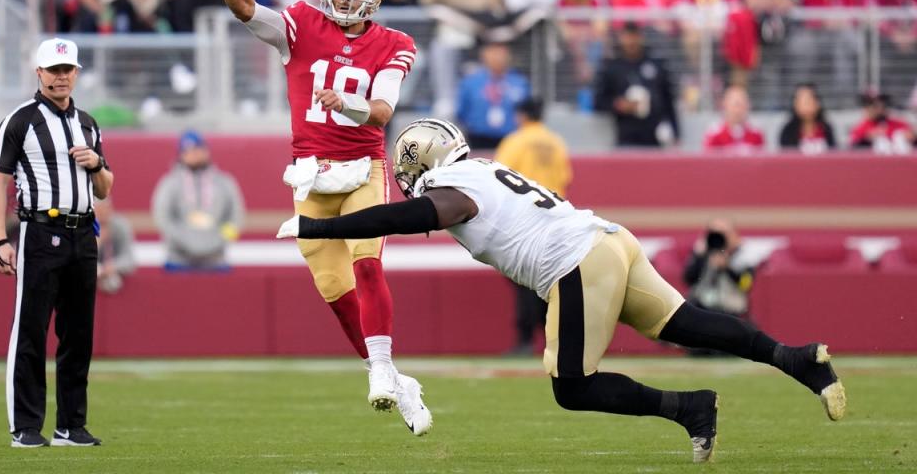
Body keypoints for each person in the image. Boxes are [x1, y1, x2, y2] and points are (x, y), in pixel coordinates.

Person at [276, 118, 847, 464]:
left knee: (572, 386)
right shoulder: (481, 168)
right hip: (607, 240)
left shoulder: (451, 188)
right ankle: (797, 360)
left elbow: (399, 219)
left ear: (416, 163)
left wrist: (319, 226)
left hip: (576, 261)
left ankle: (691, 409)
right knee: (685, 323)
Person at [212, 0, 432, 435]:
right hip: (311, 173)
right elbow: (247, 11)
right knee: (335, 289)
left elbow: (382, 111)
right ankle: (398, 380)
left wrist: (345, 102)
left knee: (367, 262)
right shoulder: (302, 23)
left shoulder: (395, 43)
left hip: (363, 167)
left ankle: (379, 367)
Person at [0, 38, 114, 448]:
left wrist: (96, 164)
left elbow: (106, 187)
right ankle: (25, 425)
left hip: (83, 233)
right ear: (38, 73)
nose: (61, 77)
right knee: (30, 330)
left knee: (78, 334)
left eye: (67, 69)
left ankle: (70, 425)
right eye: (54, 70)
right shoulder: (20, 121)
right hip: (40, 232)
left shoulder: (89, 124)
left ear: (76, 73)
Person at [495, 98, 572, 355]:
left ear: (522, 115)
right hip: (555, 219)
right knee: (548, 281)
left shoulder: (515, 141)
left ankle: (526, 339)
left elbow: (498, 178)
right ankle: (554, 337)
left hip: (523, 220)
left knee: (523, 281)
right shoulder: (557, 142)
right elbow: (565, 179)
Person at [151, 131, 245, 270]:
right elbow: (162, 217)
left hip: (216, 258)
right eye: (187, 151)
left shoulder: (224, 182)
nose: (193, 155)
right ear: (181, 155)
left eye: (197, 149)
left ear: (206, 151)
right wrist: (183, 240)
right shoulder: (170, 183)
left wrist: (220, 239)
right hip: (179, 258)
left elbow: (236, 216)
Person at [594, 22, 679, 148]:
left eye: (634, 37)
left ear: (640, 38)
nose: (631, 42)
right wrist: (619, 105)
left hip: (654, 138)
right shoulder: (612, 68)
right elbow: (598, 101)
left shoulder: (656, 65)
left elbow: (668, 100)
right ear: (621, 39)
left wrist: (676, 132)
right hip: (626, 137)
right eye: (627, 37)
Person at [456, 43, 531, 150]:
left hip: (511, 139)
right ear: (484, 55)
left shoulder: (520, 82)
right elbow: (462, 112)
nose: (497, 57)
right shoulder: (471, 82)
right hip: (478, 139)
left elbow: (526, 111)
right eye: (493, 52)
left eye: (501, 53)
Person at [683, 220, 752, 322]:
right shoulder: (703, 255)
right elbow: (689, 279)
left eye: (723, 234)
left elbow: (746, 285)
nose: (719, 238)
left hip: (733, 315)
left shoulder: (743, 258)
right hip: (703, 313)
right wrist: (699, 257)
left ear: (734, 236)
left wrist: (727, 268)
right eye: (715, 234)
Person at [848, 90, 915, 154]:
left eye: (882, 106)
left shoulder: (899, 123)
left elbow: (911, 136)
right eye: (874, 106)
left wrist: (911, 137)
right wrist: (867, 139)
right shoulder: (861, 127)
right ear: (867, 108)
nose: (880, 109)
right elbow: (853, 145)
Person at [703, 85, 765, 153]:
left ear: (748, 106)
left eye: (742, 105)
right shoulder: (714, 135)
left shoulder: (756, 134)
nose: (737, 110)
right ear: (725, 105)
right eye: (735, 105)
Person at [778, 84, 837, 154]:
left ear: (817, 103)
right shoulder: (788, 131)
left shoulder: (826, 129)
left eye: (809, 101)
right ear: (795, 104)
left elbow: (833, 153)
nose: (806, 106)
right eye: (801, 102)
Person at [94, 198, 135, 294]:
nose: (102, 214)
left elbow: (129, 259)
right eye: (98, 210)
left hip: (116, 274)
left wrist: (113, 266)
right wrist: (97, 243)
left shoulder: (121, 226)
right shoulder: (84, 228)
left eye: (105, 209)